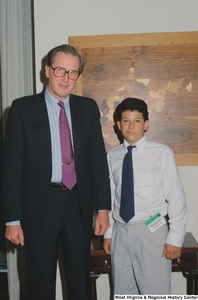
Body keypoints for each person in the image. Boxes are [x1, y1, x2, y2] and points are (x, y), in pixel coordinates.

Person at [4, 44, 111, 300]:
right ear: (47, 70)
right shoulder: (22, 109)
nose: (66, 78)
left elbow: (98, 163)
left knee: (80, 285)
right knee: (39, 286)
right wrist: (12, 220)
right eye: (60, 70)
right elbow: (12, 169)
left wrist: (104, 209)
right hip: (40, 206)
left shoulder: (88, 108)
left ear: (78, 76)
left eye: (72, 72)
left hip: (78, 205)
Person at [103, 97, 187, 295]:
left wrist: (175, 237)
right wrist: (109, 233)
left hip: (151, 229)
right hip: (121, 233)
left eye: (137, 120)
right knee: (123, 293)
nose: (131, 126)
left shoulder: (162, 153)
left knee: (155, 292)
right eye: (126, 120)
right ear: (118, 124)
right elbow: (111, 199)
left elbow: (176, 198)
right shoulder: (112, 156)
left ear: (146, 124)